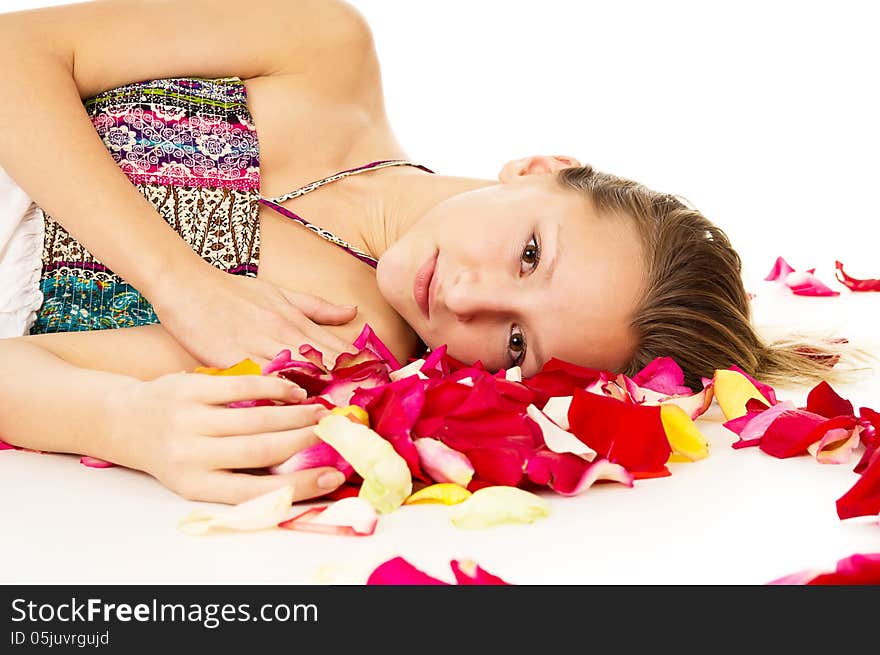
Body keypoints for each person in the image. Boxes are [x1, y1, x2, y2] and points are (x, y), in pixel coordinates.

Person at [0, 0, 854, 505]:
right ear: (542, 168)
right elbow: (15, 51)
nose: (473, 299)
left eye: (518, 343)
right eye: (529, 254)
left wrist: (124, 423)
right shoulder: (324, 47)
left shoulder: (334, 351)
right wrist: (178, 281)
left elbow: (18, 370)